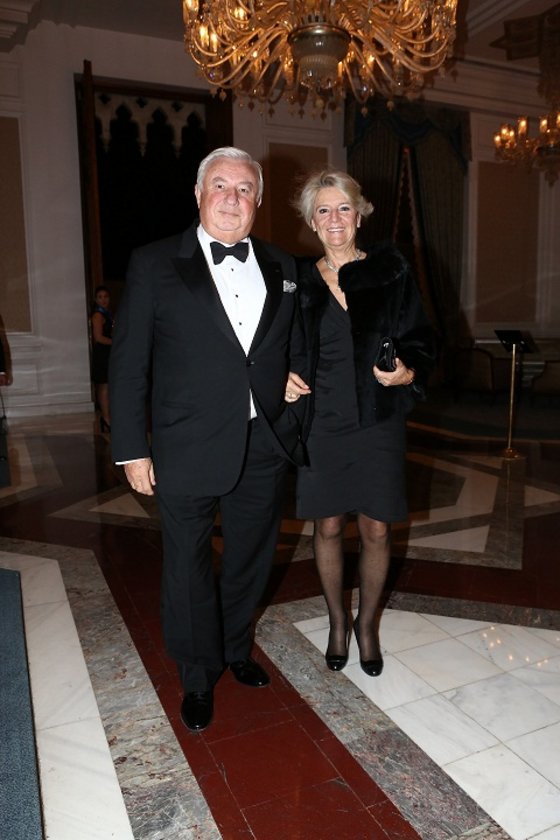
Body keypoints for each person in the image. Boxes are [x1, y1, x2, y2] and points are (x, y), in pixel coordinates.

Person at [109, 147, 304, 732]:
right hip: (186, 444)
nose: (231, 198)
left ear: (258, 201)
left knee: (250, 559)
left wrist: (291, 375)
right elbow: (129, 364)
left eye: (244, 189)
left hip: (263, 442)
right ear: (198, 194)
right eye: (219, 185)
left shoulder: (282, 264)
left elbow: (291, 340)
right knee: (187, 567)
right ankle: (197, 674)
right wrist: (131, 448)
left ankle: (235, 648)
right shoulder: (154, 263)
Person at [286, 170, 436, 677]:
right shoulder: (297, 280)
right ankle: (337, 622)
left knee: (376, 526)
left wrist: (407, 373)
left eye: (343, 208)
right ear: (311, 221)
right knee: (327, 525)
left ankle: (366, 625)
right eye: (323, 210)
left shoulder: (390, 272)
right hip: (321, 421)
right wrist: (282, 377)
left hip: (378, 419)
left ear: (360, 215)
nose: (334, 219)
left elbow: (421, 337)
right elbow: (274, 344)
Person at [90, 285, 114, 432]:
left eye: (106, 296)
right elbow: (98, 337)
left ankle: (106, 417)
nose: (103, 300)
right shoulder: (98, 315)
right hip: (102, 353)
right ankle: (106, 418)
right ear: (95, 300)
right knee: (104, 386)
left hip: (107, 352)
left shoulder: (107, 314)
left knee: (106, 386)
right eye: (100, 297)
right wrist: (115, 342)